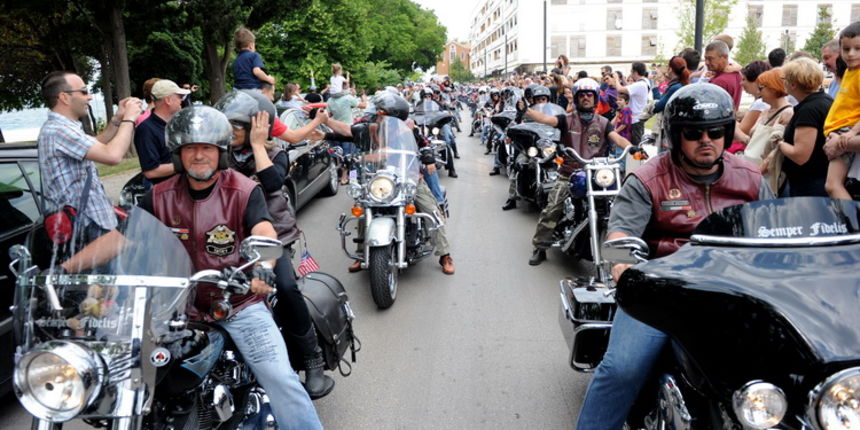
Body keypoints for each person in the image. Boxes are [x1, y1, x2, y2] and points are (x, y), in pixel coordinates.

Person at [575, 84, 767, 430]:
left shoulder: (751, 178)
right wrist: (626, 266)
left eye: (715, 131)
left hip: (737, 289)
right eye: (693, 133)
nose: (706, 140)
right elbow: (620, 238)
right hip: (664, 293)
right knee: (623, 368)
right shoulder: (649, 178)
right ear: (677, 136)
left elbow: (774, 230)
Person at [139, 105, 323, 429]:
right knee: (136, 381)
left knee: (281, 379)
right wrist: (69, 270)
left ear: (220, 152)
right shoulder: (158, 197)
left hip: (238, 304)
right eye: (190, 148)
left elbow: (264, 231)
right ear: (177, 153)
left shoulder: (242, 189)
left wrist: (264, 266)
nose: (198, 156)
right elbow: (124, 240)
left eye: (207, 148)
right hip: (179, 311)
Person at [215, 90, 336, 399]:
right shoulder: (217, 154)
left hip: (270, 238)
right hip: (225, 238)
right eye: (226, 127)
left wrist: (257, 145)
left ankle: (313, 361)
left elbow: (271, 183)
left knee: (285, 287)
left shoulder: (276, 153)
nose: (230, 134)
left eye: (236, 127)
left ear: (259, 127)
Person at [326, 93, 456, 275]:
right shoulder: (371, 128)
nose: (376, 116)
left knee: (430, 209)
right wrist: (325, 124)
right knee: (363, 206)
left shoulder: (408, 128)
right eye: (378, 113)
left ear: (392, 115)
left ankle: (445, 255)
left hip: (407, 178)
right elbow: (348, 131)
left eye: (380, 113)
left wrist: (428, 156)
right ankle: (361, 251)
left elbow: (424, 143)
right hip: (379, 179)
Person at [38, 71, 142, 261]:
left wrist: (117, 121)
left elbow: (97, 145)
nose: (90, 97)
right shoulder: (58, 130)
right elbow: (112, 156)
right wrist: (129, 119)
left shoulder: (63, 128)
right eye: (84, 91)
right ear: (64, 97)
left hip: (90, 225)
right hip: (86, 228)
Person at [525, 78, 632, 264]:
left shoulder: (604, 122)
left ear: (596, 98)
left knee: (619, 209)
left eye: (589, 94)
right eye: (582, 95)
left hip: (597, 175)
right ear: (576, 98)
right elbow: (545, 119)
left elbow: (617, 138)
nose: (586, 98)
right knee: (552, 209)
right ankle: (540, 246)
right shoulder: (566, 120)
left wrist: (633, 148)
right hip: (569, 173)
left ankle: (621, 258)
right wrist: (525, 110)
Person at [758, 60, 825, 197]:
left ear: (793, 84)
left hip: (809, 186)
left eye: (784, 79)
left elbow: (799, 155)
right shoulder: (823, 100)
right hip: (815, 181)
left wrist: (779, 142)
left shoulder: (808, 110)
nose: (783, 83)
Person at [823, 22, 860, 199]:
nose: (851, 54)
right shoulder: (849, 72)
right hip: (839, 130)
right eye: (846, 49)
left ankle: (854, 222)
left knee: (832, 185)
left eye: (858, 48)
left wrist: (851, 132)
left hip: (846, 130)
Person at [134, 79, 189, 189]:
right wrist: (186, 164)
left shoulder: (176, 124)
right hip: (166, 193)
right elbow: (151, 171)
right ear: (168, 100)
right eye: (179, 96)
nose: (181, 100)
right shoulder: (146, 130)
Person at [611, 62, 649, 145]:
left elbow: (620, 89)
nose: (631, 74)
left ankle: (638, 158)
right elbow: (629, 88)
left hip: (636, 120)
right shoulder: (643, 83)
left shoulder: (640, 84)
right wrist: (624, 80)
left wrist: (616, 79)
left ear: (635, 72)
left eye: (631, 71)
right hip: (636, 119)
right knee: (635, 145)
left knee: (636, 147)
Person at [703, 40, 742, 110]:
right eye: (705, 58)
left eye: (711, 59)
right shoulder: (736, 74)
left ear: (724, 57)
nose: (706, 63)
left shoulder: (720, 81)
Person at [612, 93, 633, 158]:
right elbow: (612, 124)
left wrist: (615, 132)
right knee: (618, 154)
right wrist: (616, 116)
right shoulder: (621, 111)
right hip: (619, 136)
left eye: (620, 100)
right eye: (617, 100)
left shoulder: (626, 110)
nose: (618, 102)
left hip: (624, 137)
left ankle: (621, 168)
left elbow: (624, 124)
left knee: (620, 155)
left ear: (626, 101)